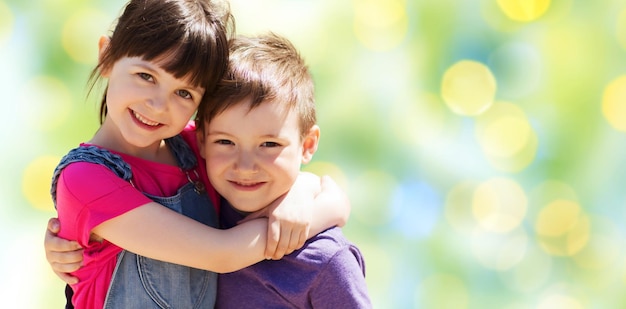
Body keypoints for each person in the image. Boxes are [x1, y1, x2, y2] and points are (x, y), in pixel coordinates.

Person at [44, 1, 350, 308]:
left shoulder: (197, 146)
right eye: (146, 76)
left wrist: (299, 194)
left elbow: (327, 192)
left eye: (184, 93)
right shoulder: (84, 179)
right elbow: (222, 253)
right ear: (107, 56)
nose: (159, 105)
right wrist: (306, 221)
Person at [195, 32, 372, 308]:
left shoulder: (326, 261)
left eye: (268, 144)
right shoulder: (195, 209)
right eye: (225, 142)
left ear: (308, 144)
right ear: (202, 140)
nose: (244, 166)